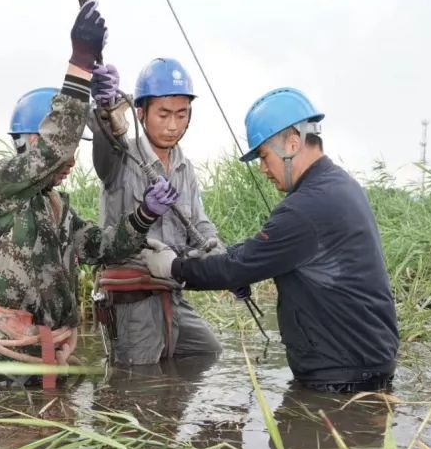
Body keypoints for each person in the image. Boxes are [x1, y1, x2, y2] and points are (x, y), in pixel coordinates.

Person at [0, 1, 180, 387]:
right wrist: (80, 64)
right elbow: (57, 149)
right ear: (32, 141)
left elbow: (103, 248)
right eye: (67, 148)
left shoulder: (58, 207)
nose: (72, 161)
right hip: (10, 362)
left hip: (55, 352)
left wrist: (144, 216)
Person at [138, 88, 399, 393]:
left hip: (342, 376)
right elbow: (259, 254)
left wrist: (174, 268)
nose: (263, 169)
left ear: (291, 143)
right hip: (364, 363)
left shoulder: (308, 206)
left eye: (263, 156)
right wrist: (231, 261)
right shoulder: (340, 186)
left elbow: (239, 266)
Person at [87, 58, 224, 366]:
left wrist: (225, 265)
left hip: (172, 294)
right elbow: (105, 141)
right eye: (163, 114)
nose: (173, 125)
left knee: (208, 353)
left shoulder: (183, 167)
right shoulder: (122, 156)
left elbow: (200, 226)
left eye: (181, 114)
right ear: (141, 112)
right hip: (132, 302)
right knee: (139, 386)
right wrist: (105, 106)